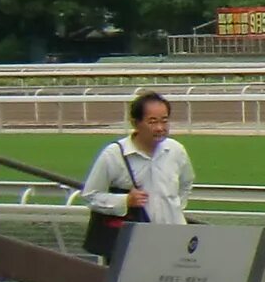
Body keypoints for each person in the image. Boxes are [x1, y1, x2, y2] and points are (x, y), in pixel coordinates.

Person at [81, 89, 194, 254]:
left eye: (164, 121)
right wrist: (125, 201)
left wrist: (174, 209)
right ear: (135, 123)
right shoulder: (114, 154)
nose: (160, 128)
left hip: (174, 240)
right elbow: (90, 195)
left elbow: (186, 183)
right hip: (132, 245)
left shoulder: (176, 150)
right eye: (152, 121)